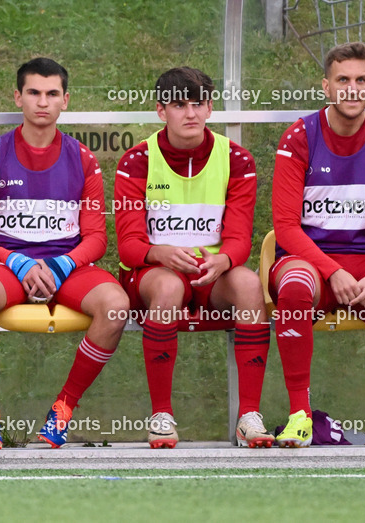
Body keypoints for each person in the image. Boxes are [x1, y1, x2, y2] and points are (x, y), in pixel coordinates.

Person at [0, 57, 129, 450]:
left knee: (117, 303)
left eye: (52, 94)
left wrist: (59, 264)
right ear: (17, 97)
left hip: (64, 266)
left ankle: (63, 410)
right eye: (34, 93)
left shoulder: (84, 159)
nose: (43, 102)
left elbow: (95, 238)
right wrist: (18, 262)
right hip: (7, 262)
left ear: (65, 101)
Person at [270, 41, 365, 447]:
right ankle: (300, 415)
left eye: (360, 80)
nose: (352, 89)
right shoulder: (298, 138)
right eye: (343, 80)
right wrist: (332, 270)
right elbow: (286, 228)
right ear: (326, 86)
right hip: (314, 267)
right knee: (295, 285)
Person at [114, 66, 272, 448]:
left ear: (210, 107)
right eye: (179, 104)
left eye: (198, 103)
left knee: (250, 284)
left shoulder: (238, 159)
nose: (190, 113)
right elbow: (128, 246)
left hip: (211, 275)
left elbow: (238, 238)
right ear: (160, 110)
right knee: (168, 287)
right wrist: (161, 253)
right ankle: (162, 415)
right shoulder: (136, 161)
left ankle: (249, 415)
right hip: (153, 276)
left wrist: (225, 260)